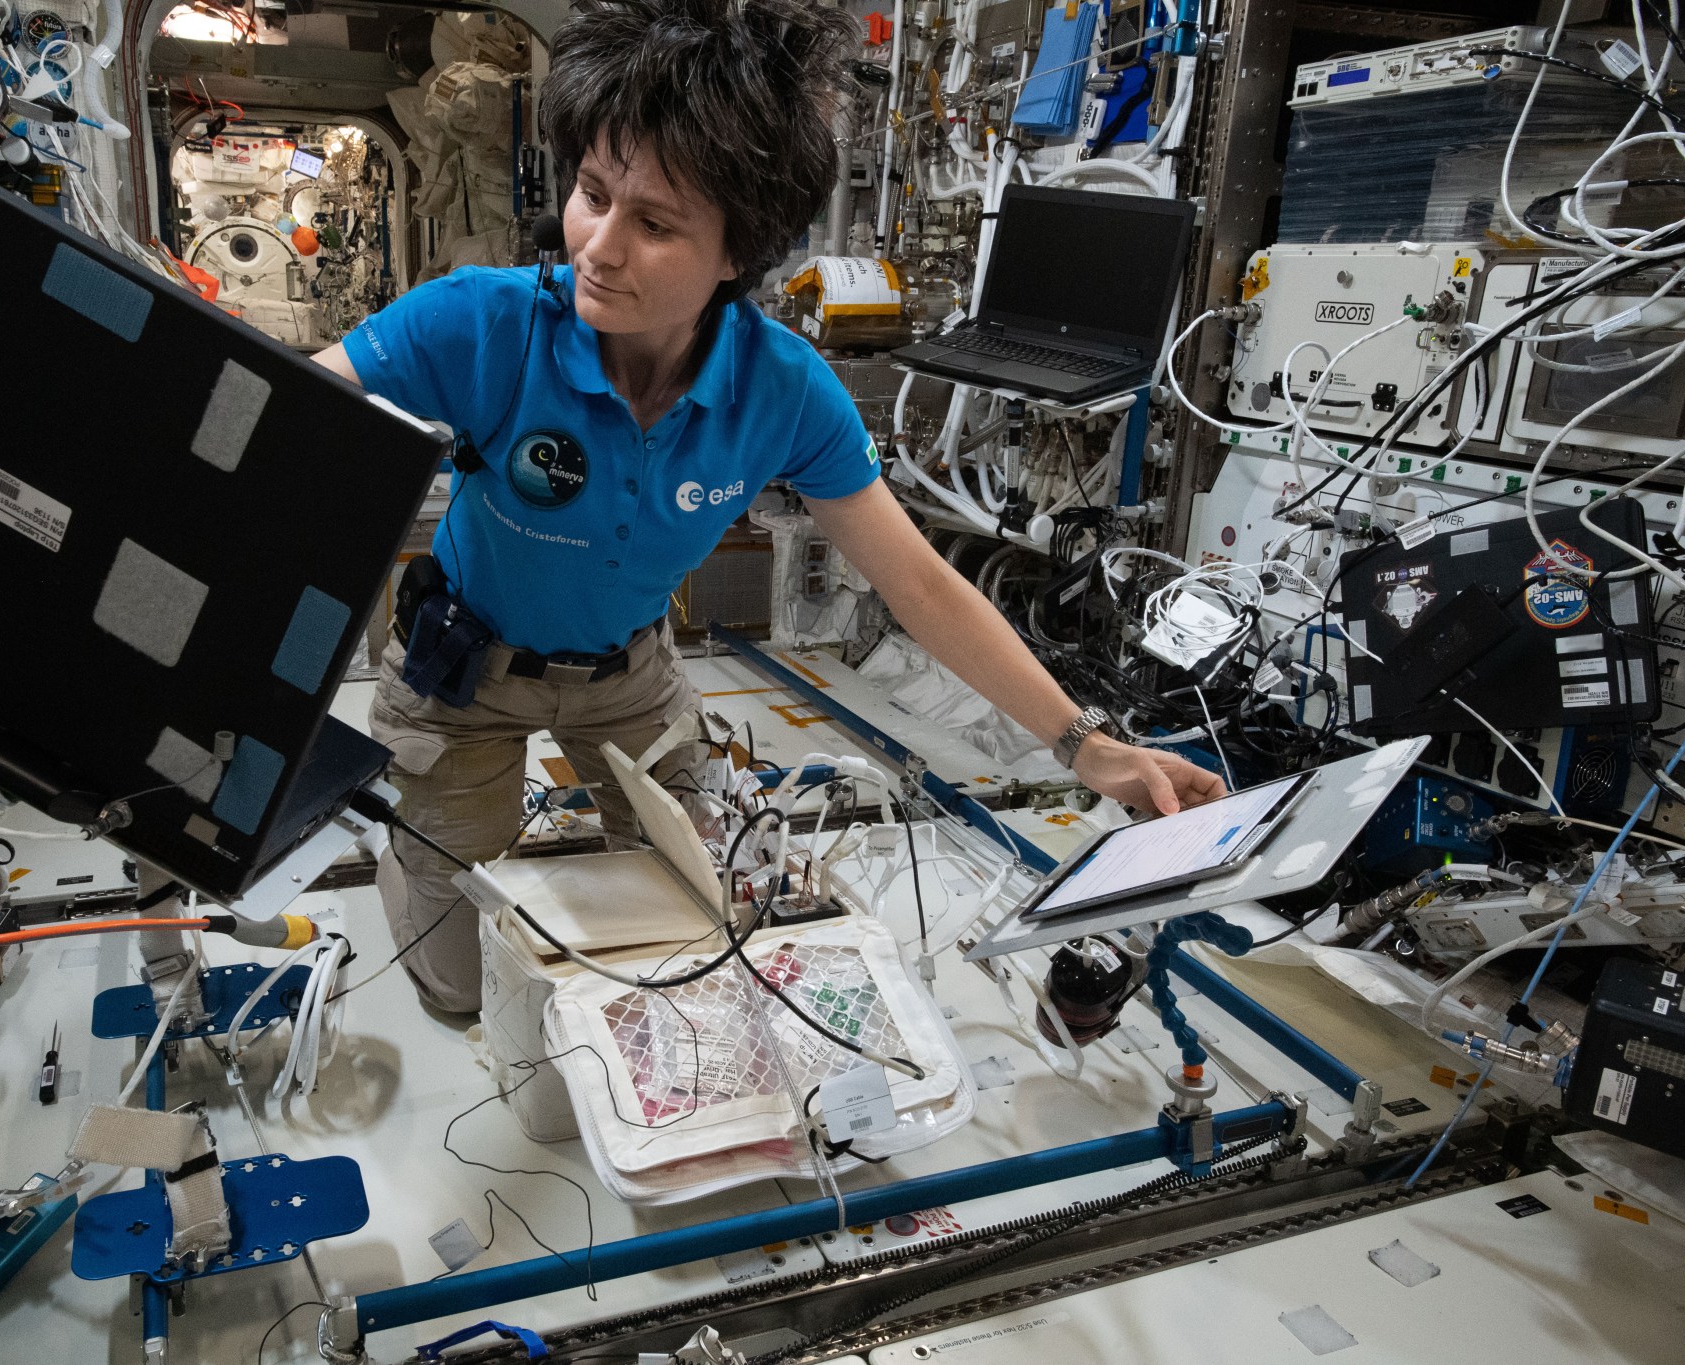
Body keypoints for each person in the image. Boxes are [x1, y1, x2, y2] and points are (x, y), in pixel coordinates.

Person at [315, 0, 1225, 1016]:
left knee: (700, 923)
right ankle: (418, 861)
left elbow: (917, 582)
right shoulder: (475, 325)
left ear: (737, 255)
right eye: (590, 193)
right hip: (461, 675)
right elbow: (272, 415)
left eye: (653, 224)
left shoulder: (782, 391)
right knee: (458, 990)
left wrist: (1084, 747)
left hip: (630, 680)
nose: (598, 250)